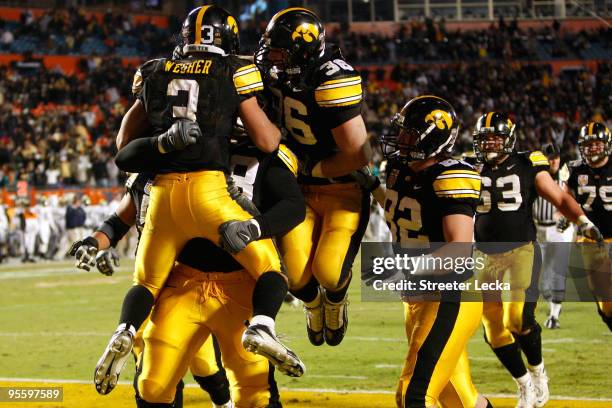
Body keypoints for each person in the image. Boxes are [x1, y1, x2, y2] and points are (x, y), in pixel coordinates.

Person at [72, 5, 303, 396]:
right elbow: (270, 148)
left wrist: (163, 143)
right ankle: (272, 321)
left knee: (154, 362)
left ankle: (124, 328)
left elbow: (124, 149)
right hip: (213, 211)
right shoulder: (235, 77)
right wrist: (254, 226)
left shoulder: (155, 72)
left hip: (166, 210)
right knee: (273, 274)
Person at [255, 7, 371, 347]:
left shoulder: (330, 77)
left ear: (302, 51)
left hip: (342, 187)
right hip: (298, 190)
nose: (271, 57)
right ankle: (314, 304)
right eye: (270, 48)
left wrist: (313, 168)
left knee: (330, 272)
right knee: (293, 275)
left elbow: (358, 154)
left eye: (280, 51)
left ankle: (335, 300)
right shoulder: (277, 71)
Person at [472, 112, 604, 408]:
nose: (488, 143)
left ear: (508, 139)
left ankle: (538, 371)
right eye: (484, 138)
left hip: (521, 250)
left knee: (516, 318)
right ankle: (523, 385)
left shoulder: (527, 163)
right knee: (492, 329)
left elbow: (559, 198)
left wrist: (582, 221)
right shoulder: (470, 167)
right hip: (484, 253)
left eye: (494, 137)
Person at [379, 95, 491, 408]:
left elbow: (458, 249)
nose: (401, 139)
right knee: (459, 399)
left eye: (409, 134)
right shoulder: (399, 170)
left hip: (448, 295)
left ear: (433, 139)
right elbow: (405, 215)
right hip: (417, 298)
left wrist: (406, 269)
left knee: (413, 396)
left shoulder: (450, 175)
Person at [566, 121, 612, 331]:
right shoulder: (575, 169)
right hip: (591, 241)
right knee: (605, 303)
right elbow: (564, 198)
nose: (593, 148)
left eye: (597, 144)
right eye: (589, 144)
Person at [532, 143, 574, 329]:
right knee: (543, 279)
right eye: (550, 157)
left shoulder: (566, 176)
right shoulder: (534, 176)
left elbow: (575, 199)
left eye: (556, 156)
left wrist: (569, 217)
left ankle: (554, 316)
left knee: (557, 272)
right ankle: (554, 308)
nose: (554, 160)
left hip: (560, 230)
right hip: (539, 230)